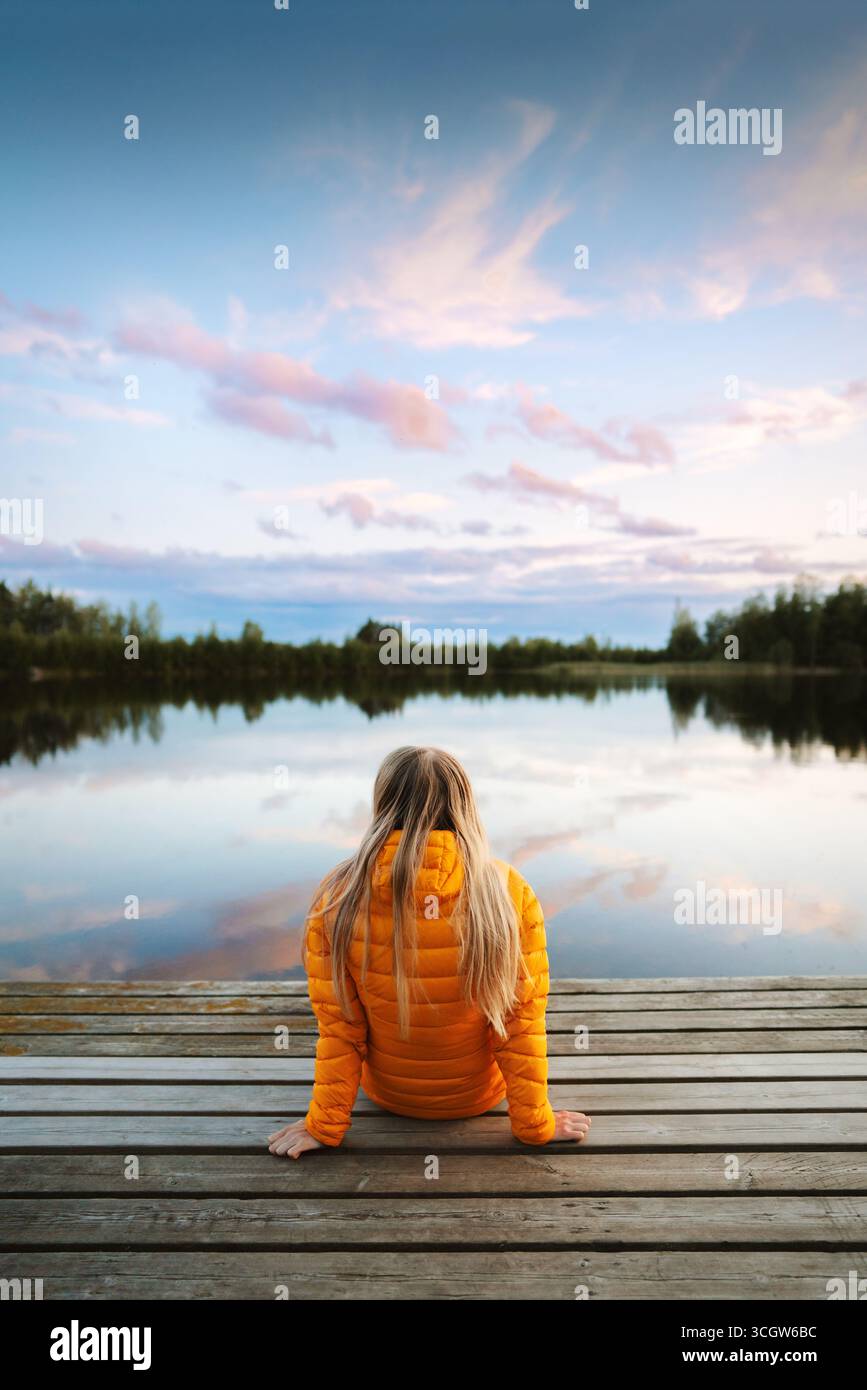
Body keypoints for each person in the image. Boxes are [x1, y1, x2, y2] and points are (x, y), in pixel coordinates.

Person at [268, 745, 591, 1158]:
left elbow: (340, 1028)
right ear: (465, 805)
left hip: (389, 1096)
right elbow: (520, 1023)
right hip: (477, 1098)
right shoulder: (508, 891)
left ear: (383, 803)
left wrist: (324, 1125)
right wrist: (535, 1124)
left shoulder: (338, 895)